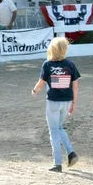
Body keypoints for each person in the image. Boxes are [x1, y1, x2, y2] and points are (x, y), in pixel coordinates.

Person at [32, 37, 80, 172]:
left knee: (53, 131)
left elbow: (41, 83)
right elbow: (76, 86)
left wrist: (34, 90)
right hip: (67, 101)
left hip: (53, 101)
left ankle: (57, 162)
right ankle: (71, 152)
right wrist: (74, 103)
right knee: (59, 127)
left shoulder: (47, 65)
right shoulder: (70, 65)